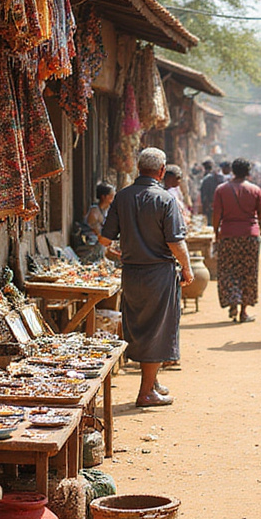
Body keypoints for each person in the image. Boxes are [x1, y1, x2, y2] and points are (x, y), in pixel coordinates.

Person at [99, 148, 192, 408]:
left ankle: (152, 383)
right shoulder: (165, 199)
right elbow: (175, 242)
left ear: (138, 169)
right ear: (161, 171)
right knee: (157, 329)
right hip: (158, 274)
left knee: (140, 327)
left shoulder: (122, 197)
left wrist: (125, 248)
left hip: (131, 273)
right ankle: (145, 393)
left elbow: (105, 239)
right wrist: (187, 268)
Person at [212, 157, 261, 322]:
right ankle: (244, 311)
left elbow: (216, 215)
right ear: (248, 172)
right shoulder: (255, 190)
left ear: (233, 171)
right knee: (248, 272)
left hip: (228, 235)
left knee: (228, 270)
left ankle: (233, 303)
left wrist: (216, 232)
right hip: (250, 235)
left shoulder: (221, 190)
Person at [199, 160, 221, 226]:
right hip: (219, 204)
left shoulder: (206, 179)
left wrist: (204, 206)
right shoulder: (219, 177)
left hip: (209, 204)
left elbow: (204, 194)